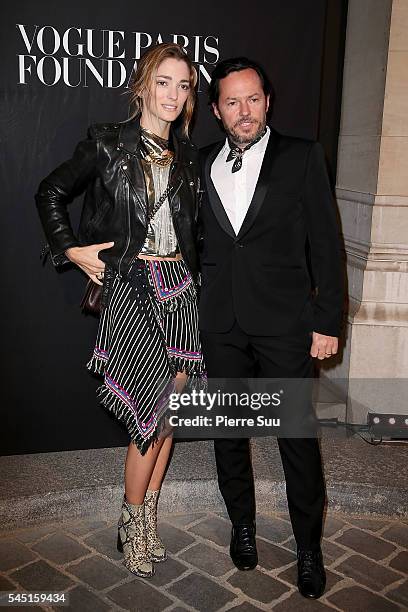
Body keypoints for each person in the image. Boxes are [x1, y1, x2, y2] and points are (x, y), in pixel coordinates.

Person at [35, 43, 205, 578]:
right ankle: (130, 525)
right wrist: (70, 248)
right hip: (133, 288)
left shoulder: (188, 159)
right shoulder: (108, 144)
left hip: (180, 288)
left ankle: (149, 520)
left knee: (170, 414)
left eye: (183, 85)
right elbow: (50, 192)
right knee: (146, 421)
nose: (174, 95)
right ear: (142, 86)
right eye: (164, 82)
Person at [198, 57, 343, 599]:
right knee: (229, 435)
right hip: (221, 324)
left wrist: (327, 319)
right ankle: (242, 524)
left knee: (297, 439)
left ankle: (309, 546)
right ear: (215, 110)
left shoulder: (302, 156)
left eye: (252, 99)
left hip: (285, 324)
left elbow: (326, 245)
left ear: (268, 101)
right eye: (231, 102)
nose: (244, 111)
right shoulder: (203, 162)